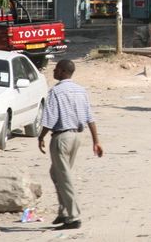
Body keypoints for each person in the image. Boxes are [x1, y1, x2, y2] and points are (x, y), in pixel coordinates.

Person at [38, 59, 103, 231]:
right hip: (76, 138)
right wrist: (96, 141)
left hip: (61, 138)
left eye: (56, 69)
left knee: (65, 178)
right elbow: (90, 117)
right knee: (56, 173)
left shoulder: (56, 92)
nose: (53, 72)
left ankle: (73, 217)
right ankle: (64, 211)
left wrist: (41, 137)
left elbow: (50, 119)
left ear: (63, 71)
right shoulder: (81, 91)